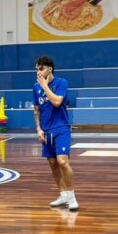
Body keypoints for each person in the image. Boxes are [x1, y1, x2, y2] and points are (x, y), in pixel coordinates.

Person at [34, 55, 77, 211]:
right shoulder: (35, 87)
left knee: (62, 162)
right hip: (46, 130)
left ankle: (71, 196)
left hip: (61, 128)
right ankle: (63, 194)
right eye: (36, 69)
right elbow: (36, 110)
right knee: (52, 164)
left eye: (41, 68)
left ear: (50, 69)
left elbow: (57, 102)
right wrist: (38, 128)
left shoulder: (61, 83)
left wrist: (45, 86)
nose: (38, 72)